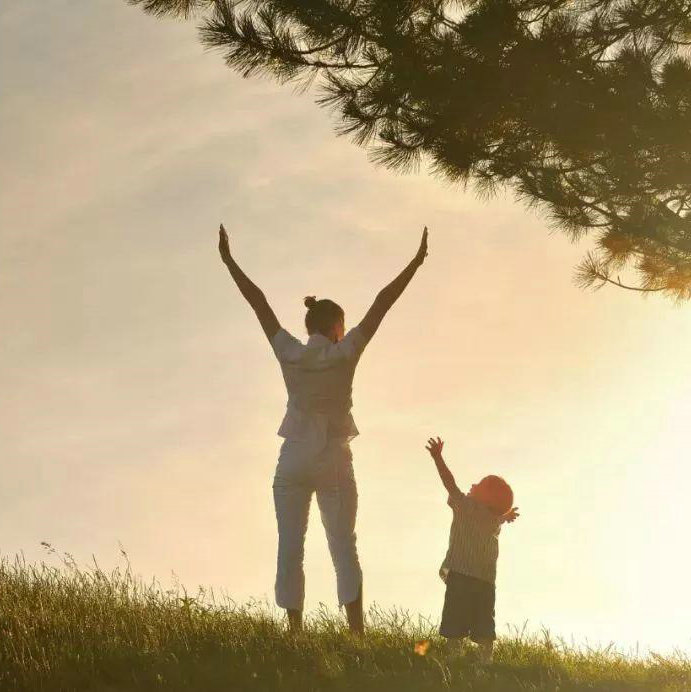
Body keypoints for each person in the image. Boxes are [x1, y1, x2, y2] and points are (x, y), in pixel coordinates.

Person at [218, 222, 429, 634]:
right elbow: (383, 302)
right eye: (343, 325)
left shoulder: (290, 353)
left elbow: (258, 302)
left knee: (290, 548)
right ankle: (355, 633)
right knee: (342, 546)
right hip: (333, 458)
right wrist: (416, 262)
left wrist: (229, 261)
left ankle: (295, 633)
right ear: (336, 326)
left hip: (294, 457)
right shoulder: (345, 352)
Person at [424, 436, 519, 663]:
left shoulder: (465, 507)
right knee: (484, 623)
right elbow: (495, 518)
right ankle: (485, 661)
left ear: (485, 497)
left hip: (461, 577)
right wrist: (505, 516)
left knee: (454, 621)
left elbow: (449, 482)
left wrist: (438, 458)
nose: (473, 485)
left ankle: (452, 657)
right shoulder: (493, 519)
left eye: (479, 484)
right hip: (485, 582)